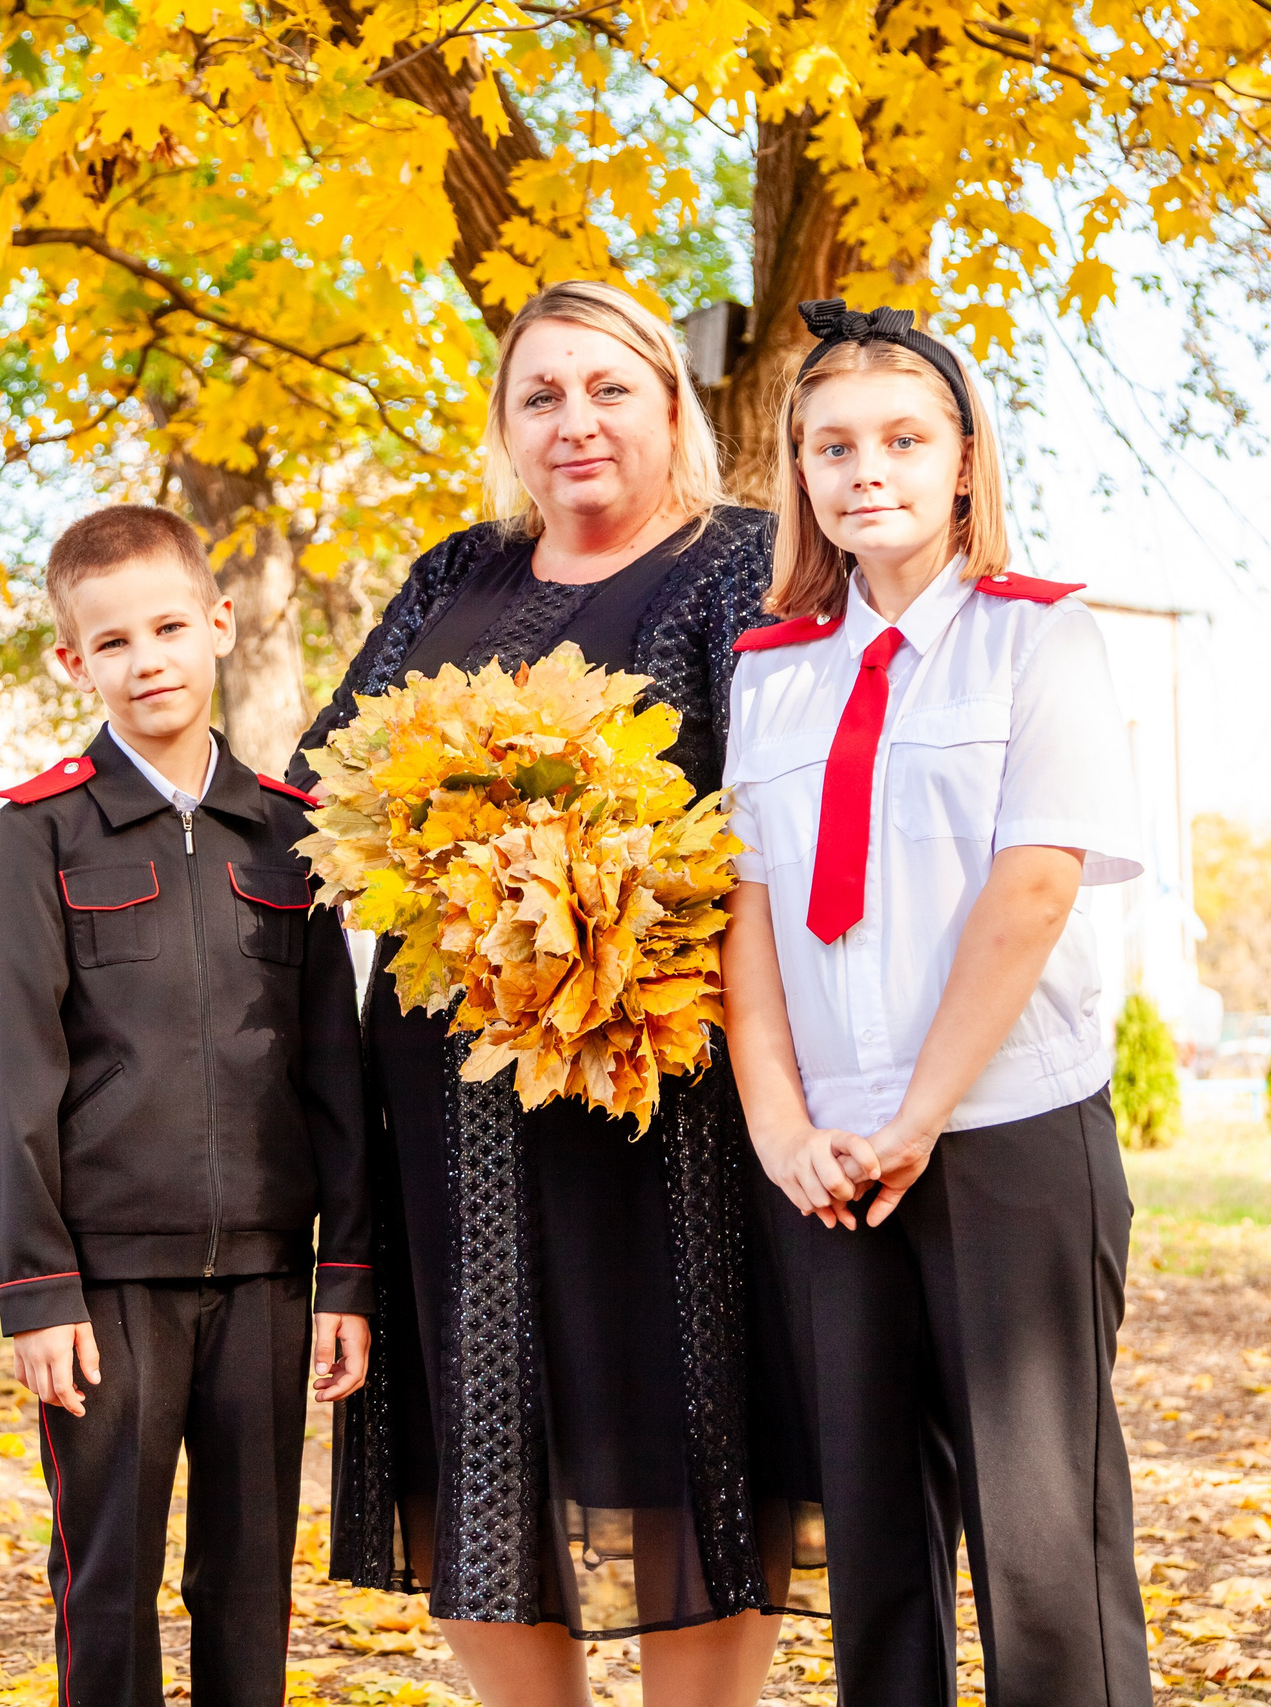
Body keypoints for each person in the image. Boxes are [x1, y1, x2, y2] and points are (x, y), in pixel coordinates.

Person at [291, 281, 812, 1707]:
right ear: (507, 424)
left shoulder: (744, 564)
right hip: (451, 1107)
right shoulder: (454, 575)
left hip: (663, 1088)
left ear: (671, 405)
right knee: (480, 1428)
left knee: (686, 1418)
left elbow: (796, 799)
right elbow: (319, 782)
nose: (575, 421)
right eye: (542, 395)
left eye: (609, 388)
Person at [718, 301, 1155, 1707]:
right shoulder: (771, 673)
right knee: (876, 1556)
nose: (868, 470)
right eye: (831, 445)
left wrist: (921, 1113)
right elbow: (748, 912)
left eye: (904, 438)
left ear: (964, 460)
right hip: (831, 1166)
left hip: (1008, 1137)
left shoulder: (1041, 639)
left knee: (1044, 1556)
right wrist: (783, 1123)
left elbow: (1032, 887)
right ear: (798, 472)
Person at [0, 504, 374, 1707]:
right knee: (108, 1576)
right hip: (103, 1290)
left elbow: (332, 1070)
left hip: (264, 1277)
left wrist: (344, 1270)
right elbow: (10, 1074)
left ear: (218, 625)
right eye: (111, 643)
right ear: (70, 661)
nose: (145, 660)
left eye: (166, 628)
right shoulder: (39, 832)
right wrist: (35, 1289)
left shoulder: (290, 835)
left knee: (250, 1579)